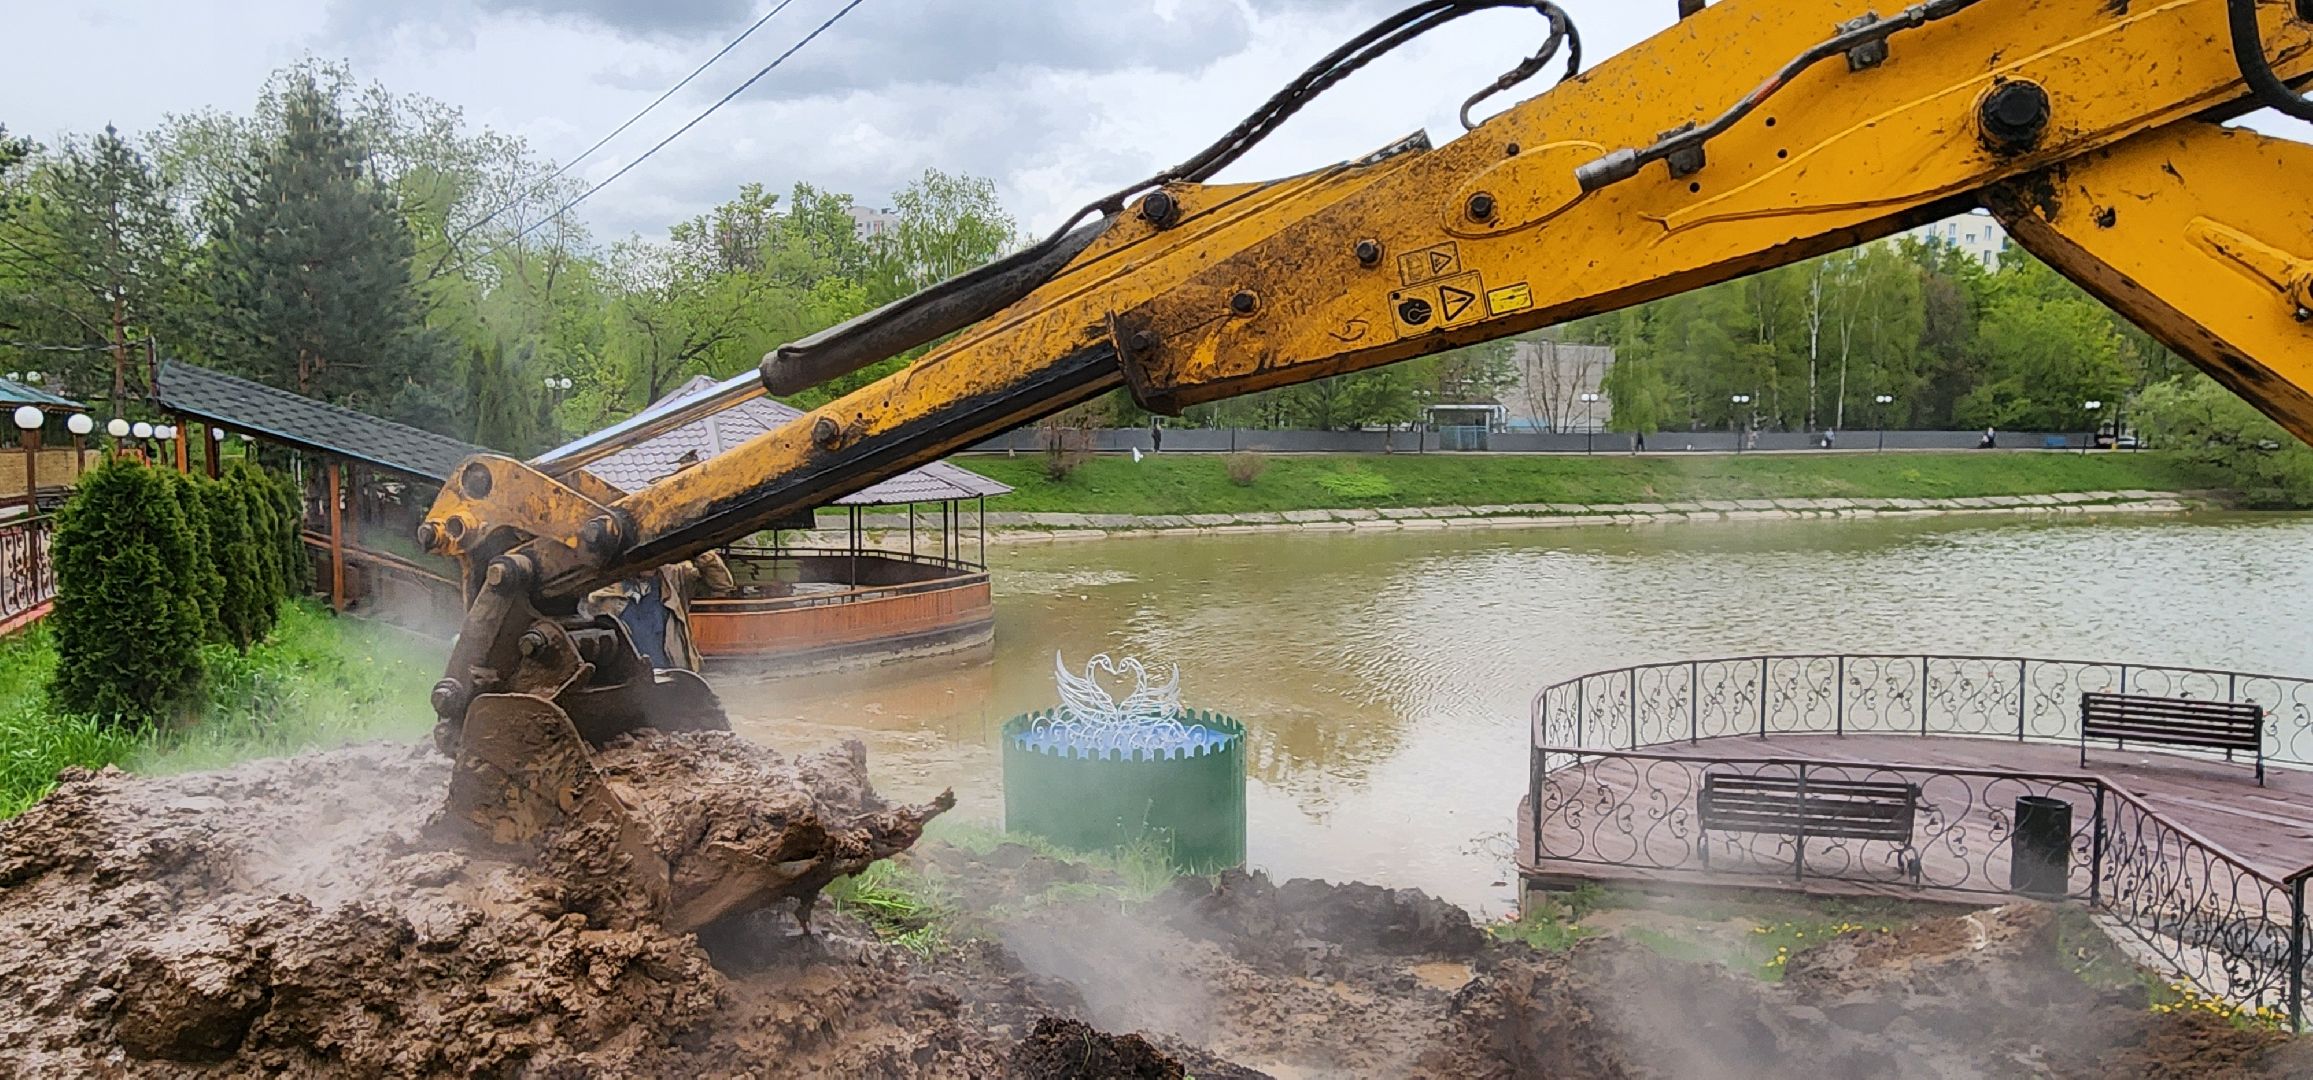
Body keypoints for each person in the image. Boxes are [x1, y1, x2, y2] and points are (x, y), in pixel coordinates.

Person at [585, 550, 735, 671]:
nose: (650, 562)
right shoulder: (603, 593)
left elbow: (722, 584)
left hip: (675, 677)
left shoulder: (676, 577)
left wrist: (699, 551)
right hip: (631, 683)